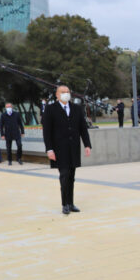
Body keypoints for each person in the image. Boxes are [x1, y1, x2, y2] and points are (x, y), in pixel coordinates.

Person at [42, 85, 92, 214]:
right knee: (64, 176)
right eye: (63, 92)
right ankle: (65, 204)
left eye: (68, 92)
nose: (66, 94)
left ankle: (71, 203)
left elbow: (83, 129)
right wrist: (49, 149)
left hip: (73, 148)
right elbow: (47, 132)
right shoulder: (50, 109)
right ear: (57, 95)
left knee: (72, 177)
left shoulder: (76, 108)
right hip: (59, 149)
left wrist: (87, 145)